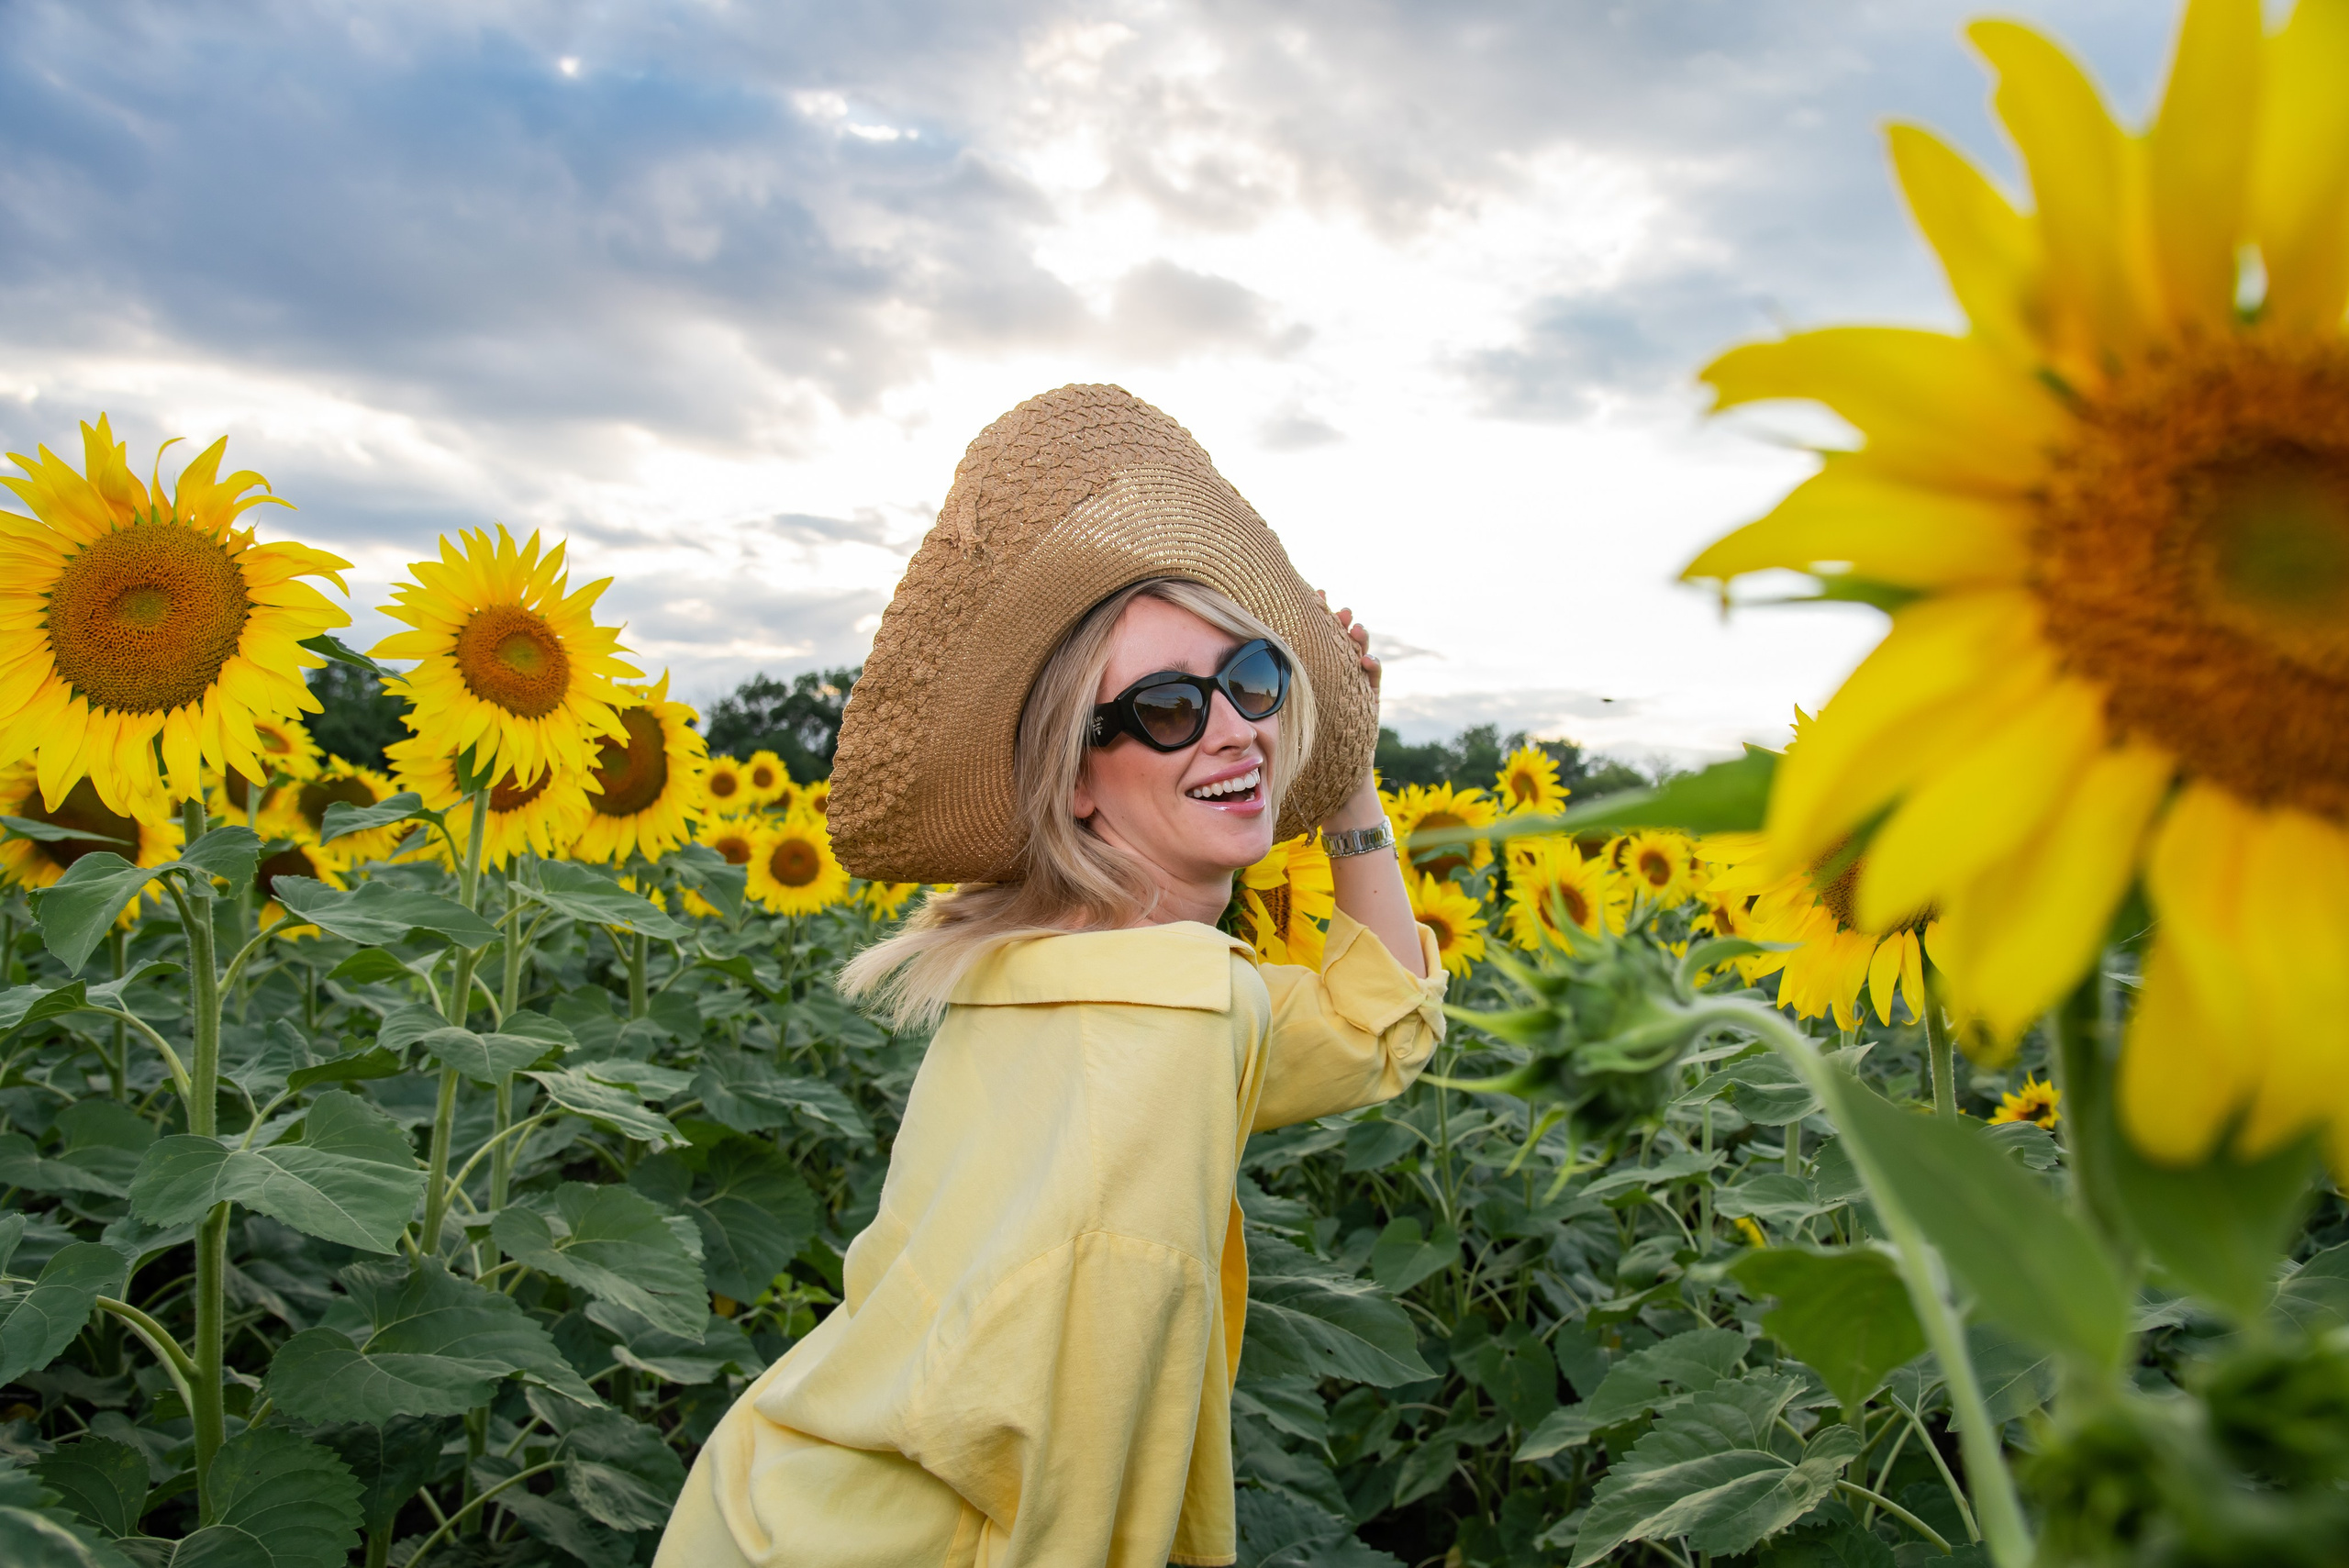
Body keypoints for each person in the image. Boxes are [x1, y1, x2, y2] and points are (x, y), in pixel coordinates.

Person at [653, 384, 1446, 1568]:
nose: (1235, 727)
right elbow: (1069, 1456)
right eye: (1170, 709)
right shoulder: (1178, 1012)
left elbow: (1367, 1028)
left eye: (1255, 681)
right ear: (1075, 778)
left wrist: (1347, 783)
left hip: (775, 1507)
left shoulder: (1040, 963)